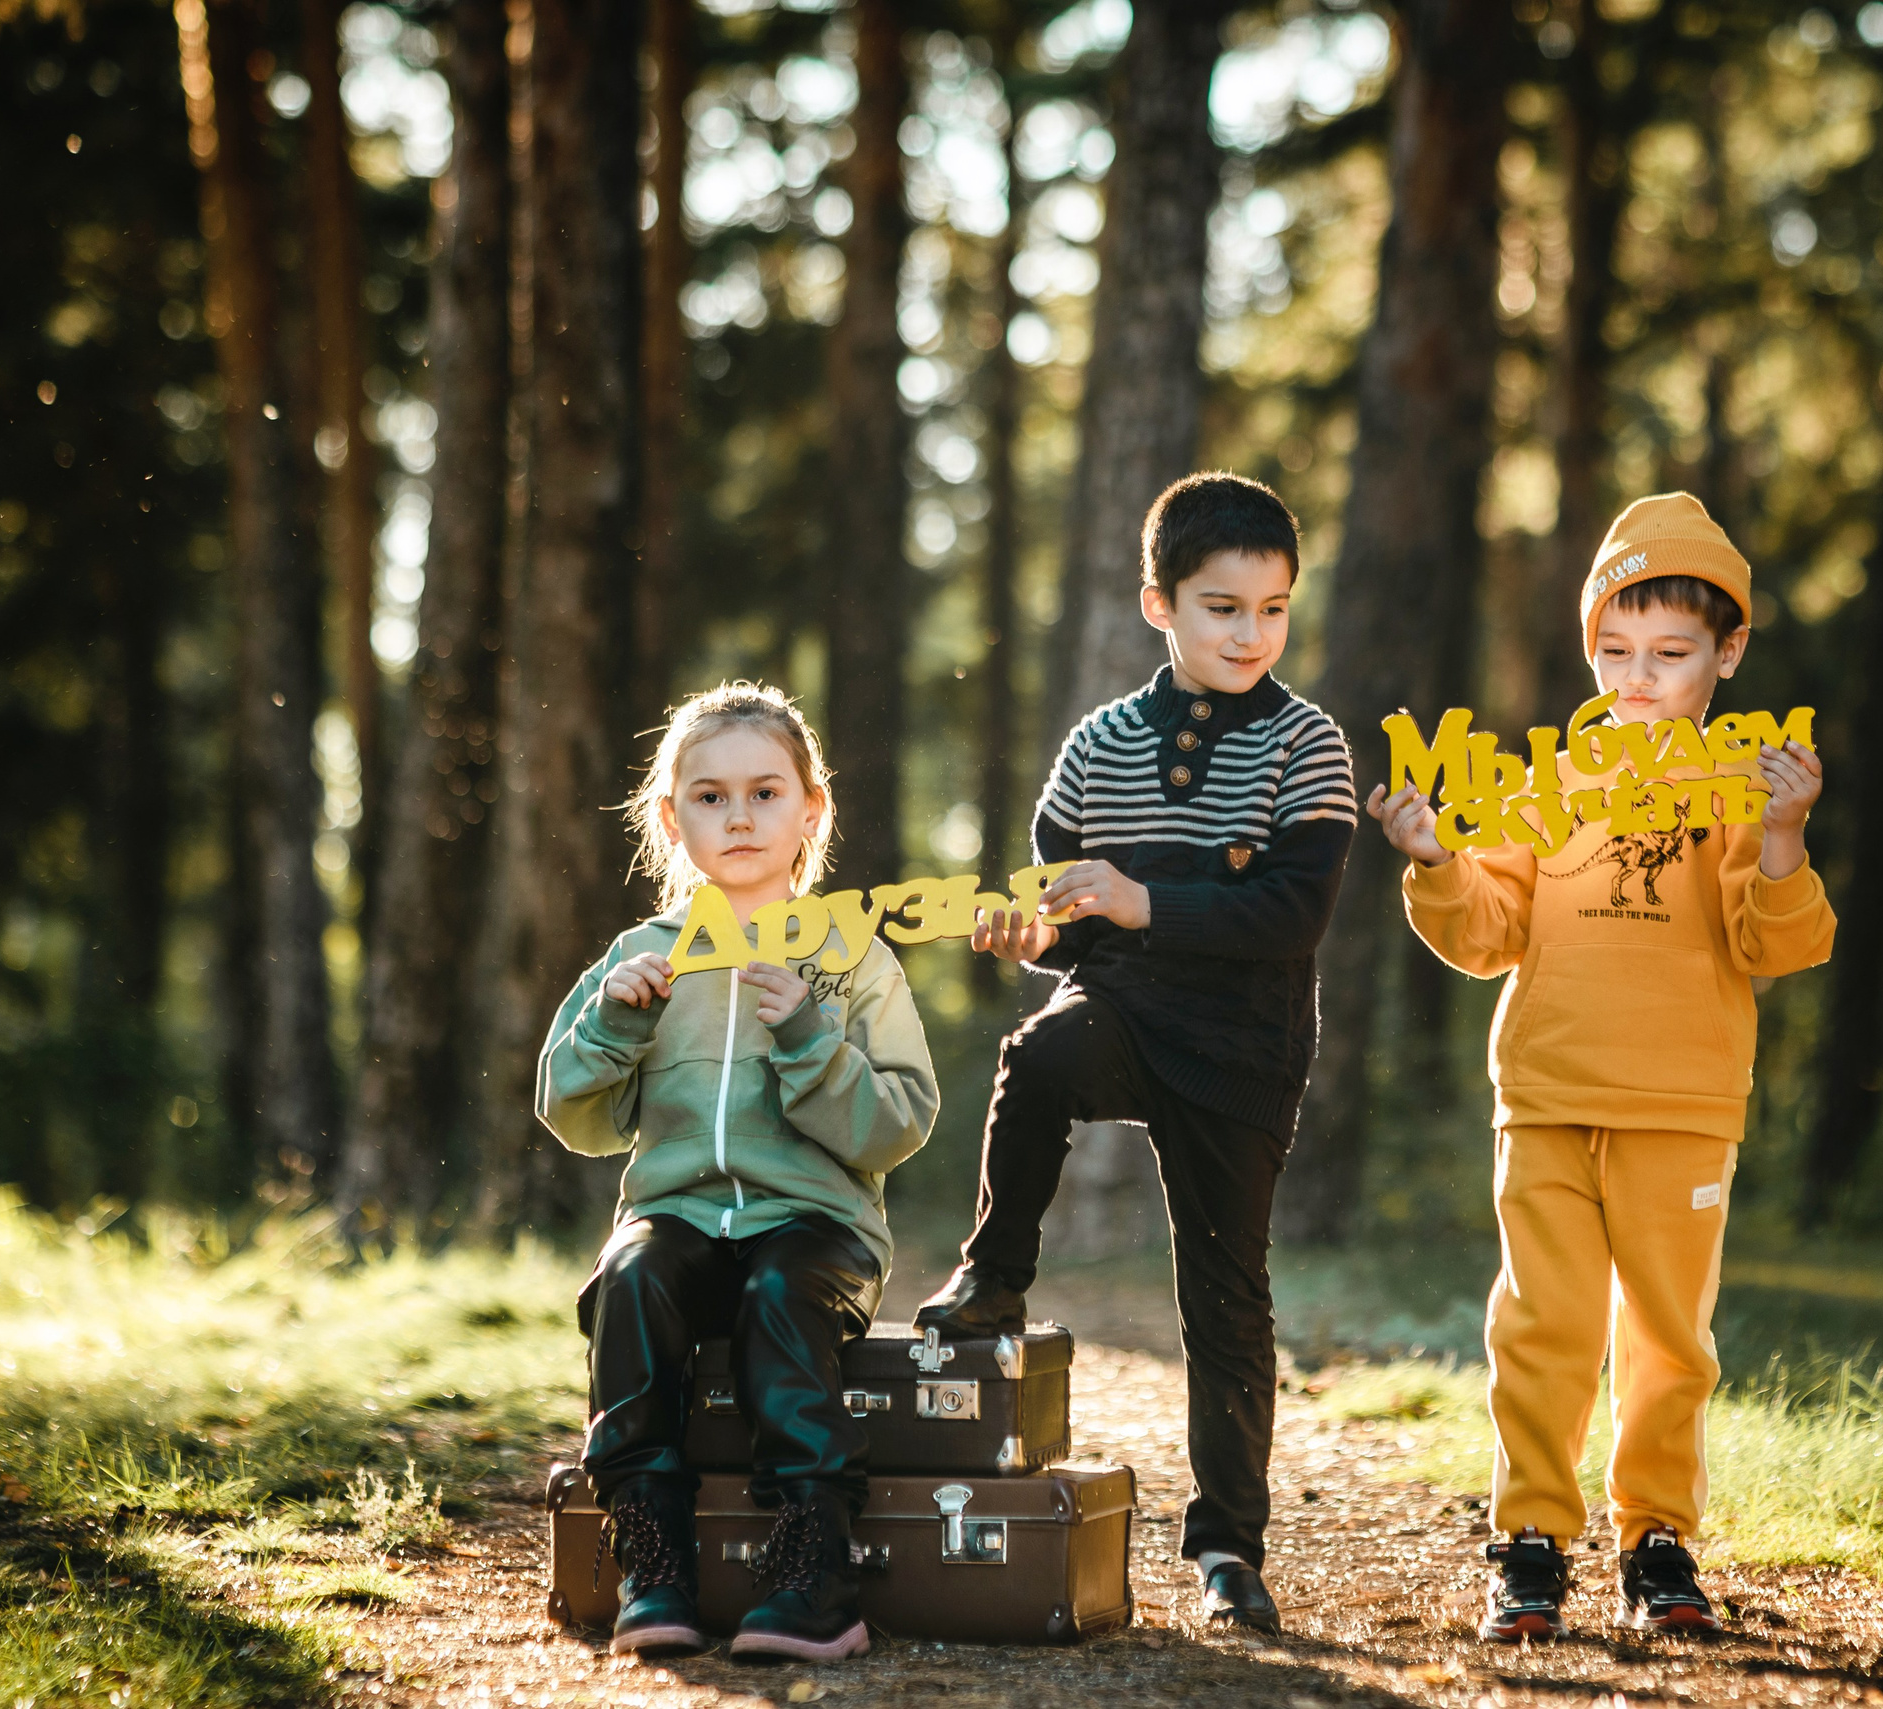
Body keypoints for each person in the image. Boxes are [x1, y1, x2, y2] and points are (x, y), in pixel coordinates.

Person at [1369, 493, 1833, 1641]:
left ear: (1725, 653)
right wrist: (1433, 861)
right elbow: (1484, 933)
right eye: (1613, 652)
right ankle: (1530, 1536)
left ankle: (1657, 1537)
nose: (1636, 677)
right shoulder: (1542, 784)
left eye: (1669, 656)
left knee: (1670, 1336)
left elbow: (1777, 942)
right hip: (1545, 1096)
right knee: (1543, 1322)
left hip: (1681, 1100)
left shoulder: (1738, 793)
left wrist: (1783, 837)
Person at [913, 471, 1357, 1636]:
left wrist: (1140, 897)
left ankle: (1227, 1550)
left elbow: (1291, 917)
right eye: (1221, 607)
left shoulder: (1307, 743)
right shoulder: (1100, 743)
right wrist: (1030, 935)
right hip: (1121, 1009)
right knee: (1039, 1055)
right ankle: (994, 1274)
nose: (1249, 633)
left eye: (1271, 609)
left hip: (1245, 1045)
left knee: (1226, 1296)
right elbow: (1066, 911)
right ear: (1159, 604)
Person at [537, 683, 939, 1662]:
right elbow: (571, 1112)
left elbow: (899, 1122)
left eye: (766, 791)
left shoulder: (852, 957)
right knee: (629, 1279)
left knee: (777, 1291)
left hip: (815, 1224)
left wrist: (808, 1034)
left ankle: (813, 1572)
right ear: (672, 818)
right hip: (676, 1213)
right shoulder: (641, 955)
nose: (741, 814)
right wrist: (615, 1021)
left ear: (812, 810)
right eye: (711, 796)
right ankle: (652, 1551)